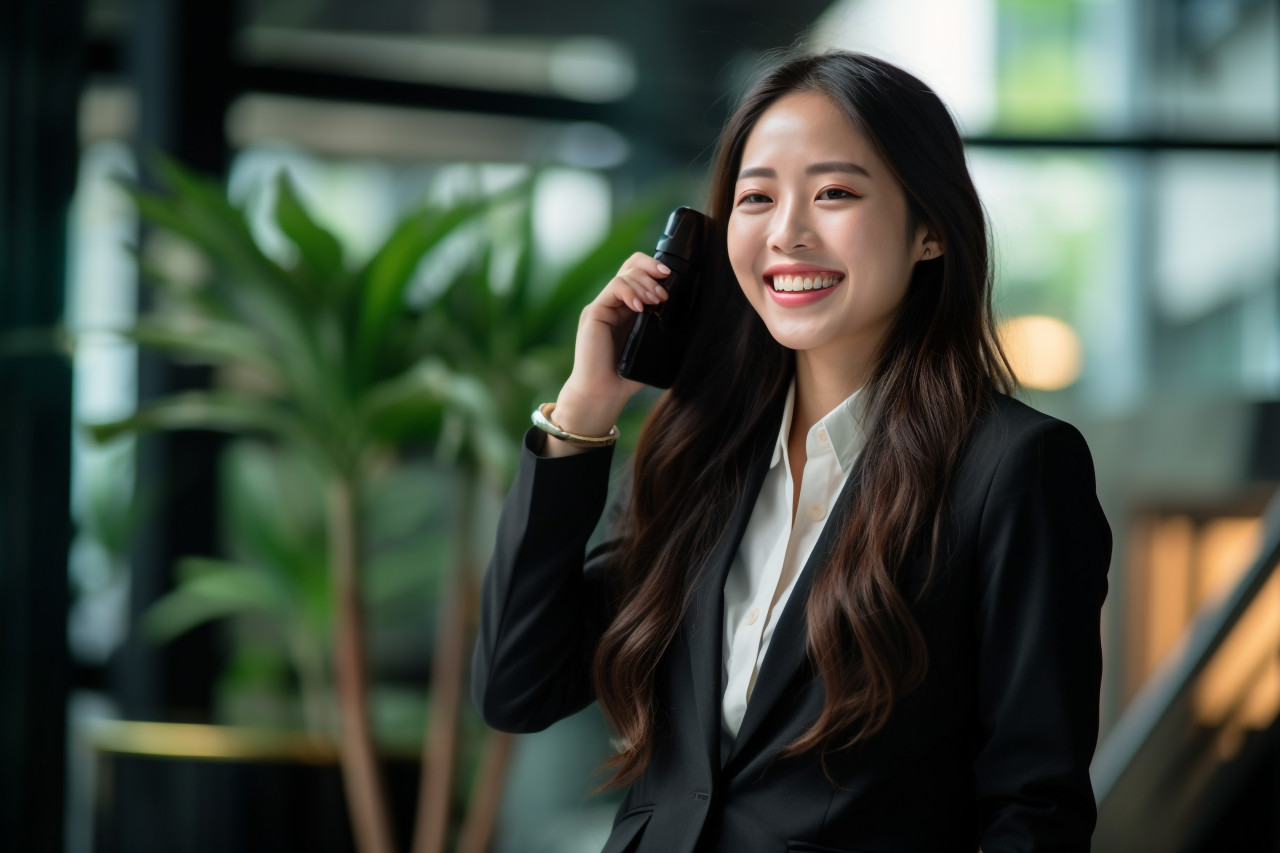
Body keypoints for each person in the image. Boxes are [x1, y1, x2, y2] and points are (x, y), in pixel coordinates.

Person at [472, 50, 1112, 853]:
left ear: (930, 231)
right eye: (756, 198)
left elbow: (1035, 807)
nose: (787, 233)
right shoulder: (707, 455)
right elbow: (516, 687)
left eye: (835, 193)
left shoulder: (1013, 469)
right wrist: (582, 411)